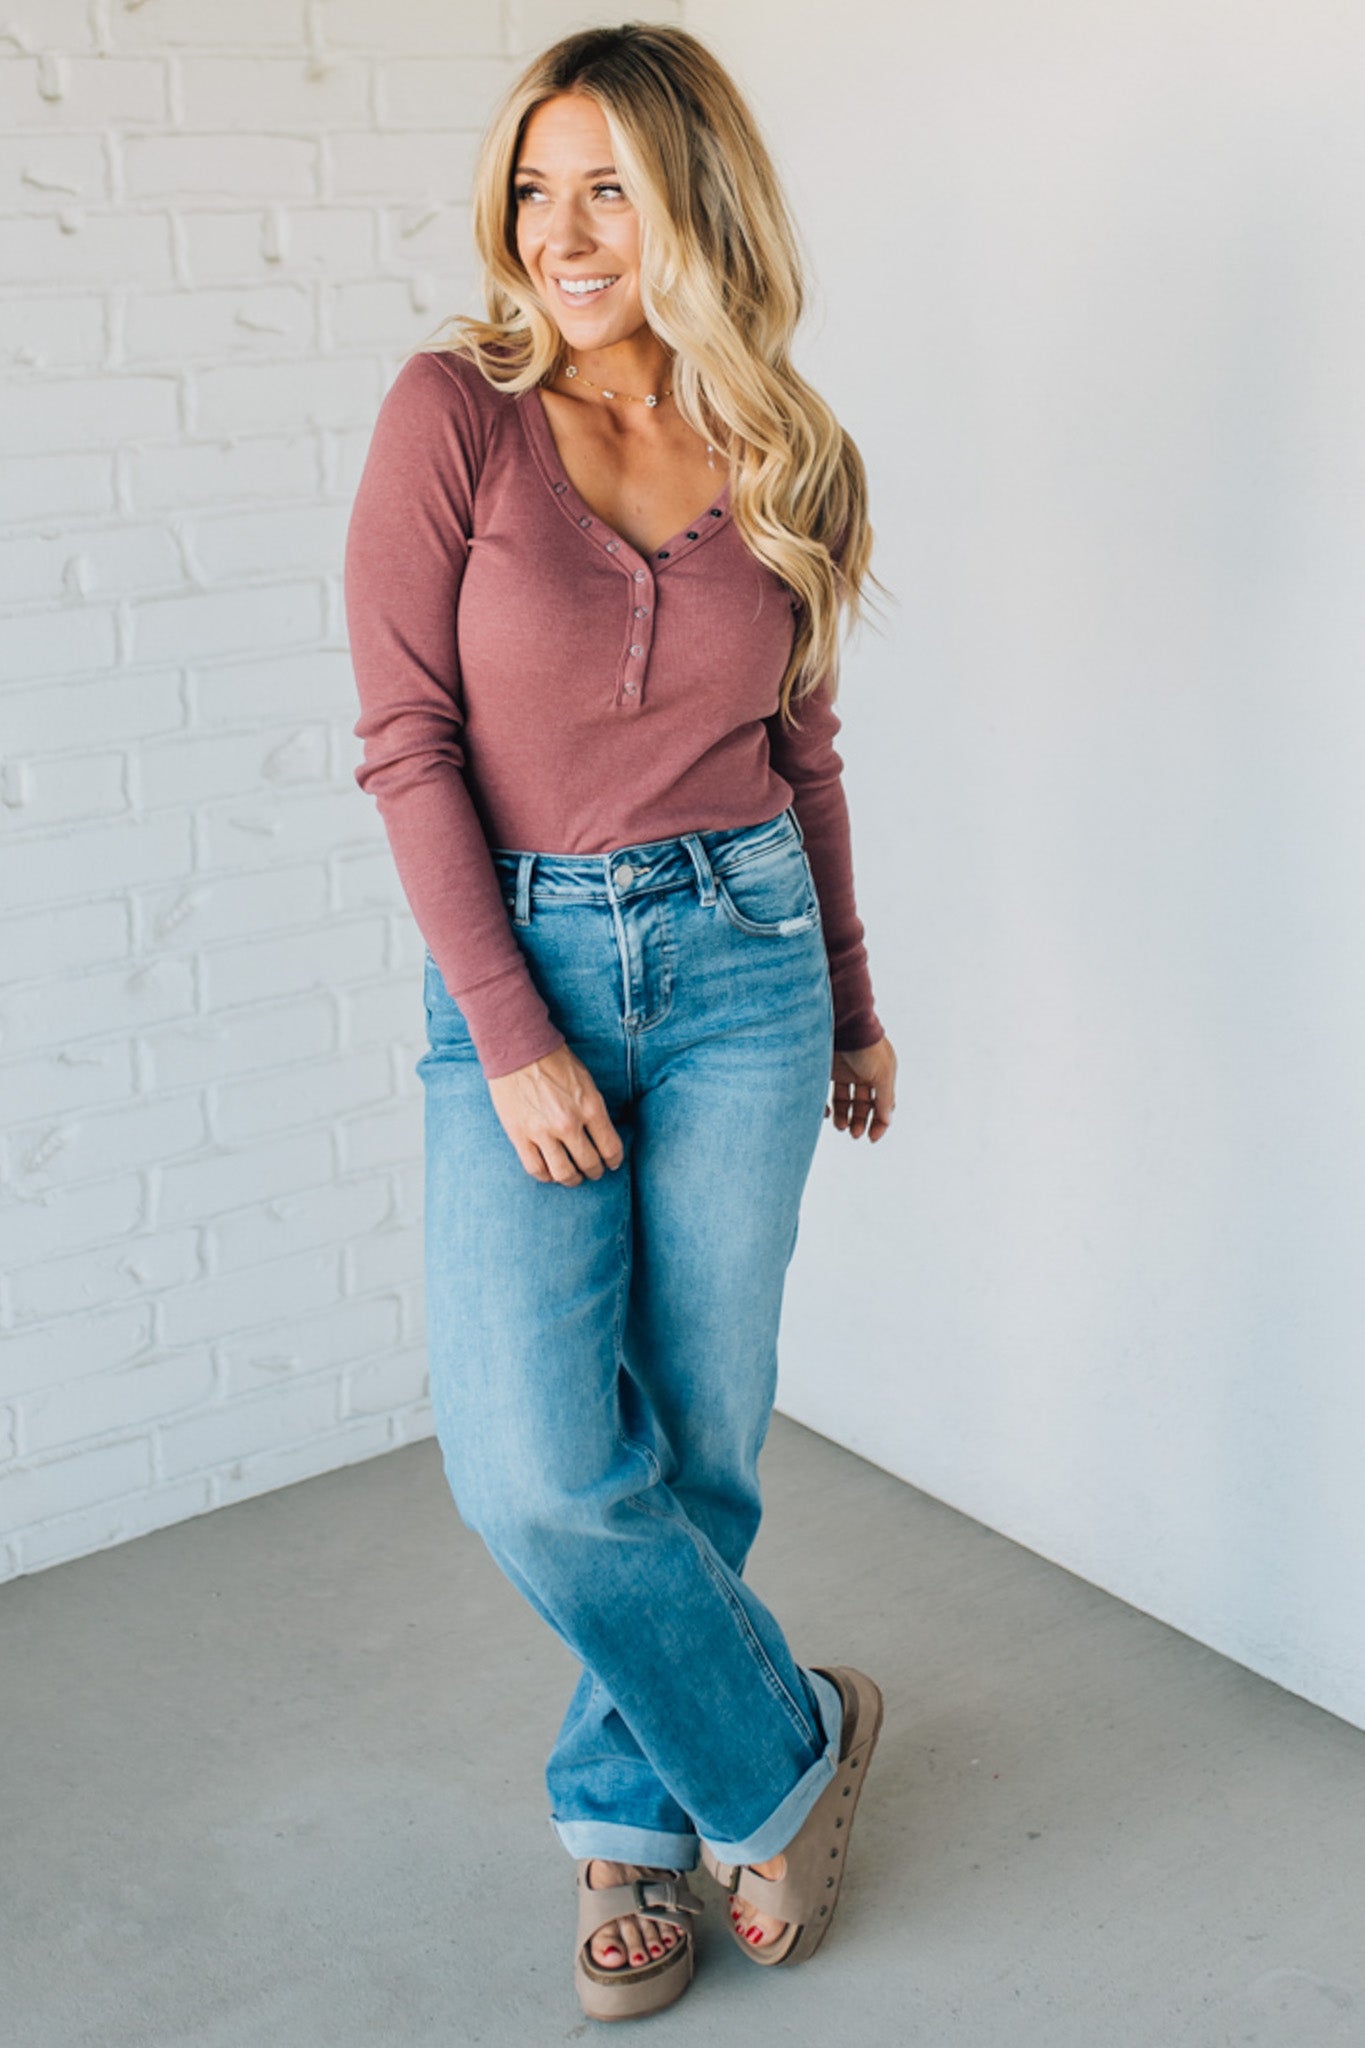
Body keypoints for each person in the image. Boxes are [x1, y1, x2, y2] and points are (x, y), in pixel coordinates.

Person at [344, 21, 896, 2025]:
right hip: (528, 961)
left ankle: (623, 1820)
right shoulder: (451, 415)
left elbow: (801, 749)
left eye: (604, 188)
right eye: (531, 187)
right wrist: (507, 1027)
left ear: (692, 203)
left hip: (748, 957)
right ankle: (776, 1750)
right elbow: (406, 745)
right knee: (531, 1456)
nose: (560, 234)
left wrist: (847, 996)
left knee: (697, 1429)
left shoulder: (786, 444)